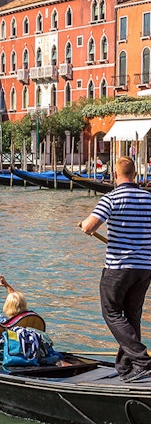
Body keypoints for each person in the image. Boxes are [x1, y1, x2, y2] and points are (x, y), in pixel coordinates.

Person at [81, 156, 151, 383]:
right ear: (135, 174)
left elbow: (90, 226)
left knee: (111, 312)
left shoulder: (111, 198)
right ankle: (127, 366)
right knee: (132, 316)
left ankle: (141, 360)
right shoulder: (149, 198)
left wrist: (85, 226)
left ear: (115, 174)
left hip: (118, 267)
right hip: (144, 268)